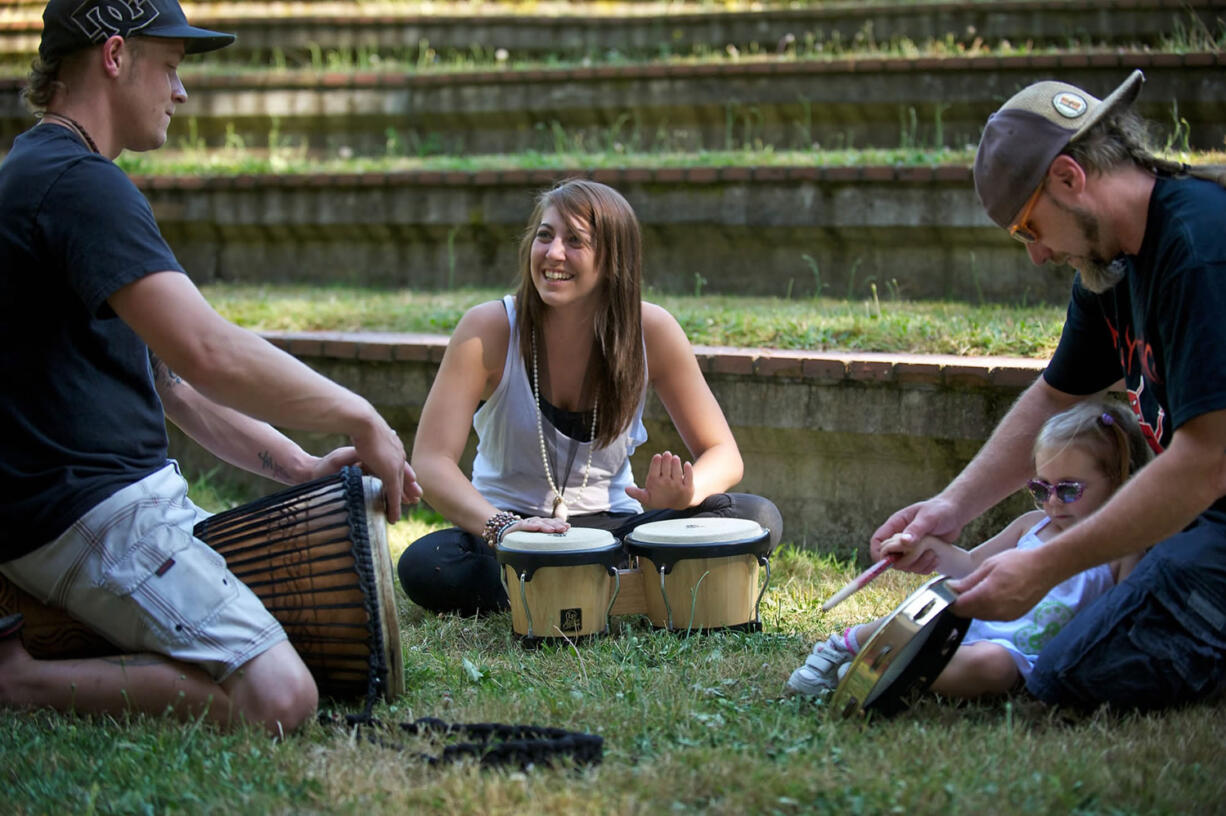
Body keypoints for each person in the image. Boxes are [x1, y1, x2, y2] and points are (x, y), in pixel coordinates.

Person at [0, 0, 421, 736]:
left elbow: (175, 384)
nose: (181, 91)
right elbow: (211, 351)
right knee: (282, 699)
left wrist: (296, 467)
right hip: (90, 516)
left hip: (103, 507)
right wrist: (361, 413)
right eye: (171, 66)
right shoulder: (77, 184)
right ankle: (21, 682)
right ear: (114, 54)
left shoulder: (48, 171)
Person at [870, 69, 1226, 710]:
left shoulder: (1199, 249)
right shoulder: (1110, 266)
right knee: (1073, 659)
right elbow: (1054, 395)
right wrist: (950, 509)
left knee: (1067, 676)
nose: (1036, 255)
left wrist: (1043, 568)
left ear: (1069, 177)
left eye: (1030, 230)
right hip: (1196, 519)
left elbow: (1208, 459)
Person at [398, 179, 782, 616]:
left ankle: (560, 589)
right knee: (428, 565)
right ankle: (621, 587)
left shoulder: (651, 331)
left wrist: (687, 493)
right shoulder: (489, 328)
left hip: (615, 531)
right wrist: (503, 528)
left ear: (613, 259)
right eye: (545, 236)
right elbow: (431, 461)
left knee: (757, 517)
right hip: (512, 531)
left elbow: (724, 455)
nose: (553, 253)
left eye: (575, 241)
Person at [789, 401, 1150, 699]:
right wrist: (924, 546)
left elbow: (1122, 619)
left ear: (1120, 480)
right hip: (968, 626)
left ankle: (881, 673)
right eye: (1041, 489)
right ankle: (846, 646)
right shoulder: (1031, 525)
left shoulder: (1121, 548)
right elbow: (971, 565)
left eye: (1069, 489)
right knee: (925, 613)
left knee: (992, 667)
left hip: (1019, 658)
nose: (1053, 503)